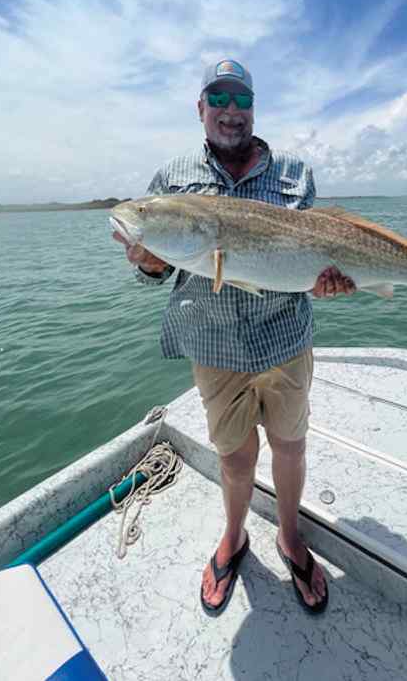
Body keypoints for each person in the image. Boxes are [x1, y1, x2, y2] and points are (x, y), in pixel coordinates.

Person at [113, 59, 355, 616]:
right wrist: (149, 261)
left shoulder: (295, 173)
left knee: (290, 445)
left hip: (285, 337)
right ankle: (235, 536)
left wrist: (331, 283)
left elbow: (315, 258)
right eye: (217, 98)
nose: (230, 110)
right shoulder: (172, 178)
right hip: (214, 345)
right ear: (200, 109)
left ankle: (290, 537)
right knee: (235, 456)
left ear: (253, 109)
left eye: (241, 100)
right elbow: (156, 271)